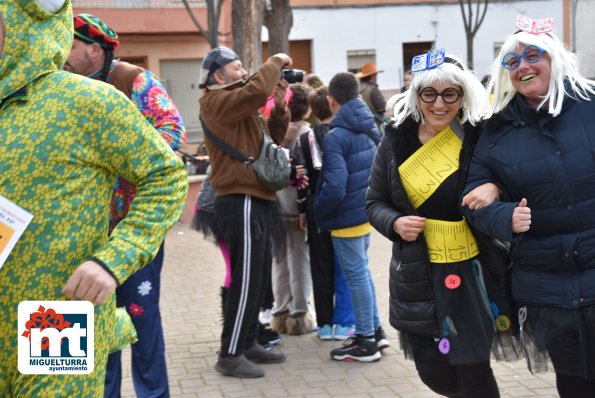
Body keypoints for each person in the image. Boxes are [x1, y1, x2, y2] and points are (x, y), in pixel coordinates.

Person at [0, 0, 187, 396]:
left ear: (22, 24)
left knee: (141, 321)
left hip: (53, 313)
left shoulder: (90, 101)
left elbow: (165, 174)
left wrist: (115, 257)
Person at [366, 49, 519, 397]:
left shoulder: (477, 137)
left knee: (473, 367)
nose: (439, 104)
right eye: (429, 94)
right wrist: (395, 223)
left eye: (450, 94)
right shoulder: (395, 140)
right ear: (416, 95)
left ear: (462, 95)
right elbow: (374, 202)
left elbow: (511, 183)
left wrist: (494, 187)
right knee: (432, 370)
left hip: (470, 269)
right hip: (417, 271)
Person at [462, 16, 595, 398]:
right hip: (548, 287)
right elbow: (473, 202)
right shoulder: (495, 130)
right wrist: (504, 215)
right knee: (574, 385)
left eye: (533, 55)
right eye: (512, 61)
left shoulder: (590, 106)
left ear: (554, 58)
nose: (523, 66)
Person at [63, 13, 186, 397]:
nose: (60, 53)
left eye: (68, 44)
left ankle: (153, 393)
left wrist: (125, 159)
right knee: (94, 320)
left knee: (140, 318)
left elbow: (172, 129)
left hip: (130, 228)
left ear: (93, 49)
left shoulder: (132, 80)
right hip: (82, 229)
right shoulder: (60, 85)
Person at [199, 46, 292, 378]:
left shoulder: (239, 105)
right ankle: (230, 353)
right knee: (245, 278)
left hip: (257, 197)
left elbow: (272, 139)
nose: (243, 73)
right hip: (240, 199)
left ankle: (249, 339)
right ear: (218, 76)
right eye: (237, 68)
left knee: (258, 279)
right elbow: (256, 89)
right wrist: (276, 60)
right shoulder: (214, 102)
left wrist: (280, 106)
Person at [313, 72, 388, 362]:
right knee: (362, 273)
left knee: (356, 276)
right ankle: (376, 332)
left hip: (344, 217)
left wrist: (318, 210)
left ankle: (366, 340)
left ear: (331, 101)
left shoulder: (336, 135)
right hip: (364, 211)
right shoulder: (368, 125)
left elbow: (334, 186)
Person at [297, 85, 356, 341]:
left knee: (319, 266)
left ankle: (324, 323)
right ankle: (344, 323)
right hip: (341, 209)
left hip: (314, 210)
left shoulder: (305, 138)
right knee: (343, 266)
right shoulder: (343, 134)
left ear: (313, 109)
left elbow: (299, 179)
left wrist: (303, 209)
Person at [269, 82, 315, 336]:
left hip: (275, 204)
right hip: (298, 207)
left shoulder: (273, 131)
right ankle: (299, 313)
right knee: (299, 260)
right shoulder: (306, 134)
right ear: (306, 108)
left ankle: (280, 310)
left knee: (279, 260)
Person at [355, 62, 387, 127]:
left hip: (358, 124)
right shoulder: (373, 89)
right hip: (373, 125)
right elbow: (382, 108)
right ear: (372, 76)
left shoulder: (356, 88)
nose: (376, 77)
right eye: (376, 75)